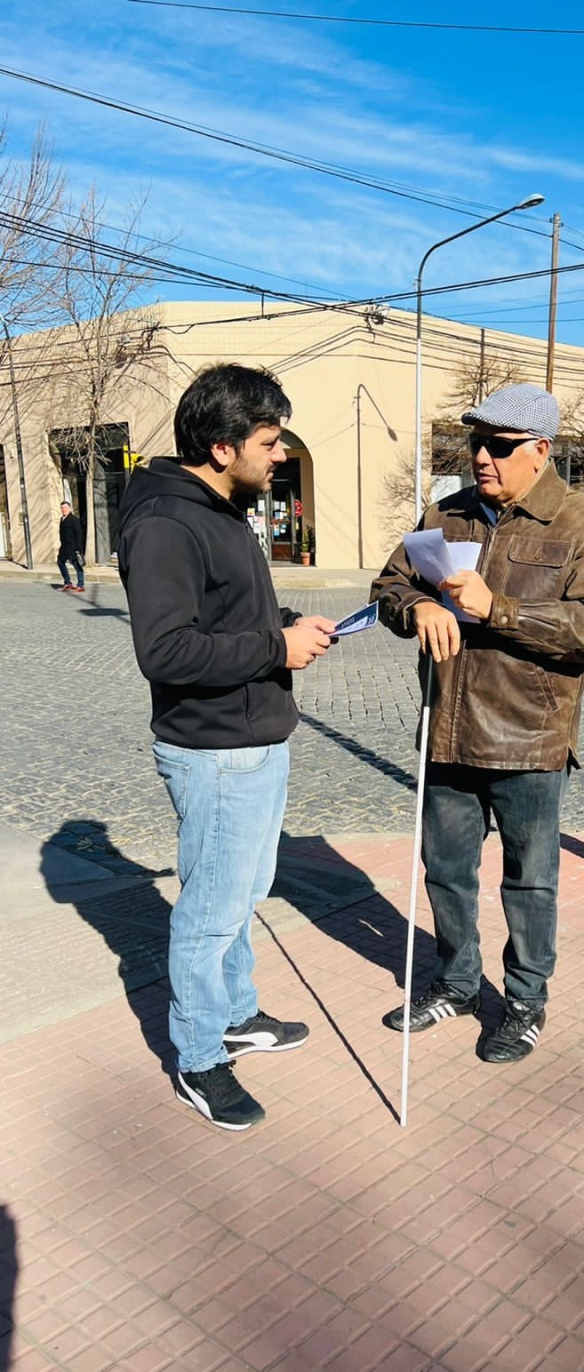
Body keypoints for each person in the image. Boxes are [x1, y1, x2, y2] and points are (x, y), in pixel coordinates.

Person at [371, 383, 584, 1063]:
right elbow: (388, 587)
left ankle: (523, 1001)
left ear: (540, 451)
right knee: (446, 872)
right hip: (447, 728)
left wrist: (499, 608)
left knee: (529, 881)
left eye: (500, 446)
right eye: (476, 443)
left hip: (529, 736)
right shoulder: (446, 514)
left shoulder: (583, 525)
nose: (482, 456)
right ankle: (456, 982)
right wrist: (414, 609)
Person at [118, 363, 336, 1130]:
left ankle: (236, 1013)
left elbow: (226, 618)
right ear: (220, 446)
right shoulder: (167, 525)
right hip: (213, 750)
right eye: (270, 442)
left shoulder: (223, 508)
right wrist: (274, 648)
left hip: (254, 736)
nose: (280, 454)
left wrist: (289, 627)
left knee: (240, 896)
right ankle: (201, 1057)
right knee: (210, 912)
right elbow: (168, 652)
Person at [57, 501, 85, 591]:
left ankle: (80, 584)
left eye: (65, 508)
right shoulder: (62, 519)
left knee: (77, 566)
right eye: (62, 508)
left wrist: (78, 548)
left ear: (69, 508)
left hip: (73, 547)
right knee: (60, 562)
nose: (63, 510)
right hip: (64, 547)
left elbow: (79, 534)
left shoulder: (74, 520)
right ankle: (67, 582)